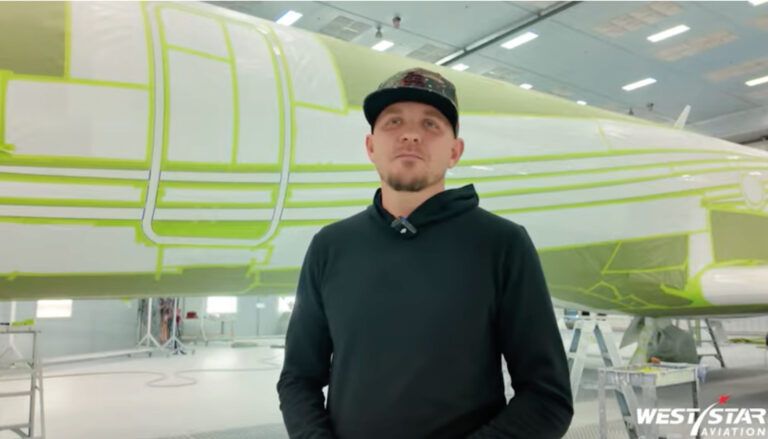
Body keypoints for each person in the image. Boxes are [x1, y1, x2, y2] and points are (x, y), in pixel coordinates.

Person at [277, 68, 573, 438]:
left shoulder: (502, 244)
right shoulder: (331, 246)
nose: (411, 134)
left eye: (431, 124)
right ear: (370, 147)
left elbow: (548, 397)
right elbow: (298, 378)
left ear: (455, 151)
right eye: (393, 121)